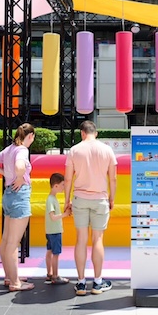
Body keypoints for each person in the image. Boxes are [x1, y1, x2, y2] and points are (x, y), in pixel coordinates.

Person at [64, 120, 118, 296]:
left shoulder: (74, 150)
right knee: (98, 240)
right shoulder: (107, 150)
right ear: (96, 133)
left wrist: (66, 200)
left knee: (81, 240)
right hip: (100, 199)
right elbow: (113, 178)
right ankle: (97, 282)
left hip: (80, 199)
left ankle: (81, 283)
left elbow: (68, 179)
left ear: (82, 133)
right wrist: (112, 198)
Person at [0, 123, 36, 291]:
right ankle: (15, 282)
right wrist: (19, 176)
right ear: (30, 136)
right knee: (13, 242)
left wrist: (8, 174)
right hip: (19, 195)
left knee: (6, 239)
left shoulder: (9, 149)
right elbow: (19, 166)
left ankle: (9, 276)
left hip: (8, 195)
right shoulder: (22, 150)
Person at [45, 172, 71, 285]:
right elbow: (53, 217)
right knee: (55, 254)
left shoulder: (52, 198)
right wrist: (65, 215)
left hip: (50, 231)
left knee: (50, 251)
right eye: (62, 185)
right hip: (55, 231)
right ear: (56, 186)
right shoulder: (51, 200)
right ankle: (55, 275)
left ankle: (49, 273)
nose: (63, 187)